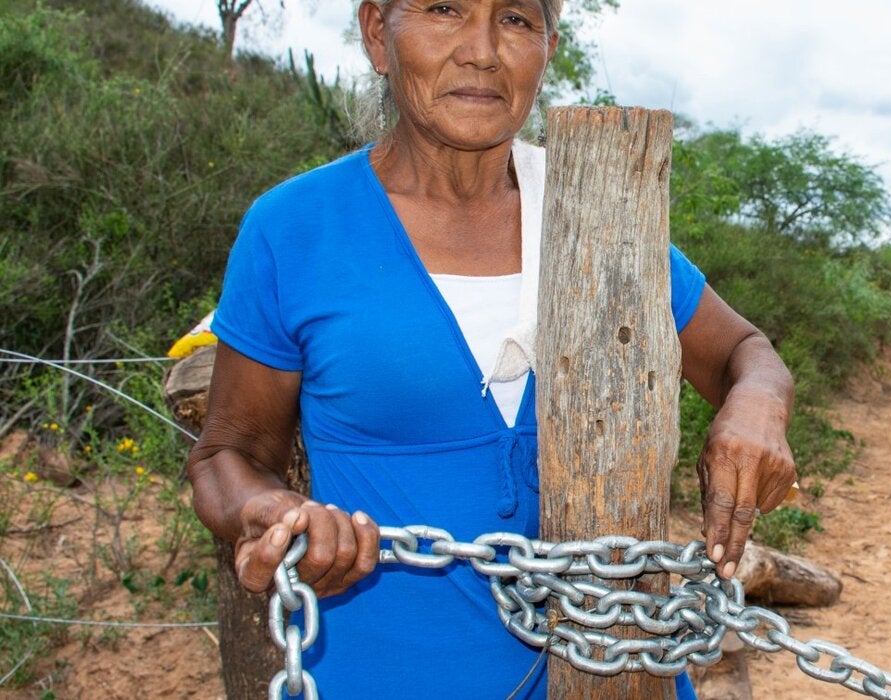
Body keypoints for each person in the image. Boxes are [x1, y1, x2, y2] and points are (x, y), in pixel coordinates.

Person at [184, 0, 797, 696]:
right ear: (377, 33)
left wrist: (756, 404)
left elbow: (743, 350)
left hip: (618, 677)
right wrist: (268, 512)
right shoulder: (294, 230)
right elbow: (226, 455)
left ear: (548, 46)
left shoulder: (598, 212)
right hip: (384, 678)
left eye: (513, 19)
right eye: (444, 9)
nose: (481, 50)